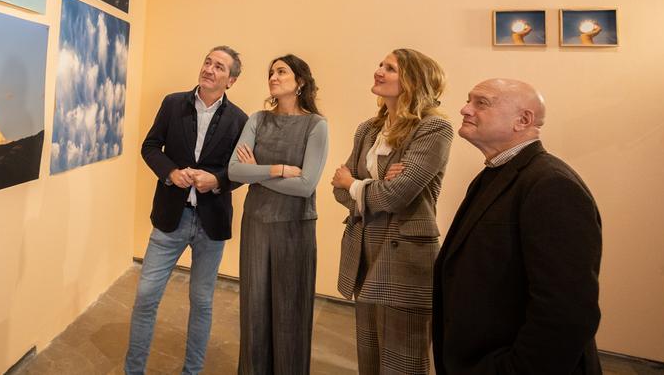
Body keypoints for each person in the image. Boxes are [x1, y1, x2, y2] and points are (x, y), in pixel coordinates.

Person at [433, 79, 602, 374]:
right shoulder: (495, 173)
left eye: (481, 103)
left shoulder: (552, 185)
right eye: (468, 101)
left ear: (523, 120)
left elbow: (566, 311)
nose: (464, 109)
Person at [126, 46, 249, 375]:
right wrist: (171, 173)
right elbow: (150, 147)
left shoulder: (240, 120)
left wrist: (217, 180)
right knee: (146, 296)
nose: (209, 69)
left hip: (211, 224)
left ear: (231, 80)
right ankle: (132, 371)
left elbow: (240, 171)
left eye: (219, 67)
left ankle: (191, 372)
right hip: (170, 218)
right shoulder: (172, 103)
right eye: (207, 62)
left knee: (202, 302)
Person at [331, 48, 453, 374]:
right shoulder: (368, 129)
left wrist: (357, 184)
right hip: (365, 250)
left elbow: (397, 195)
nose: (379, 71)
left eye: (390, 68)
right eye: (380, 65)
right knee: (369, 360)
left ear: (413, 81)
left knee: (403, 364)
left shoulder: (433, 128)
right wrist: (372, 186)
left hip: (405, 256)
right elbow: (338, 189)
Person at [228, 54, 328, 374]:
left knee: (290, 313)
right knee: (254, 311)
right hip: (256, 223)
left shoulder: (316, 125)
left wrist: (257, 172)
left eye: (281, 72)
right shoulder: (257, 119)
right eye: (271, 72)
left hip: (294, 229)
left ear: (299, 82)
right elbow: (234, 170)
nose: (273, 77)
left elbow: (306, 185)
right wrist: (280, 169)